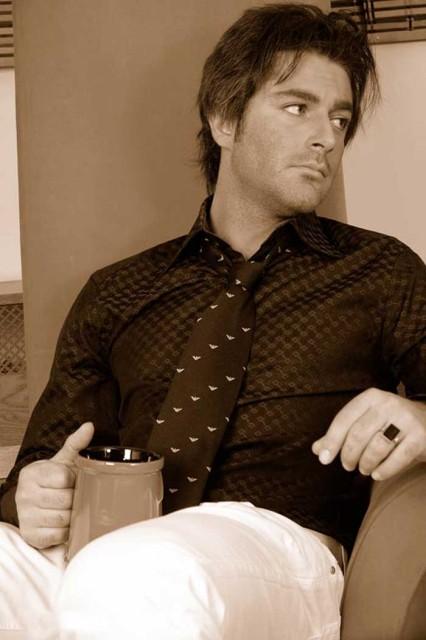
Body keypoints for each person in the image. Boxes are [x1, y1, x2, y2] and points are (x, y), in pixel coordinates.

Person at [1, 3, 425, 639]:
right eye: (298, 107)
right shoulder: (118, 291)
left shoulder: (380, 270)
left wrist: (421, 415)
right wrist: (31, 495)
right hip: (103, 547)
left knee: (135, 575)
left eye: (340, 119)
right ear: (225, 119)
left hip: (279, 549)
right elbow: (38, 462)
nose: (327, 137)